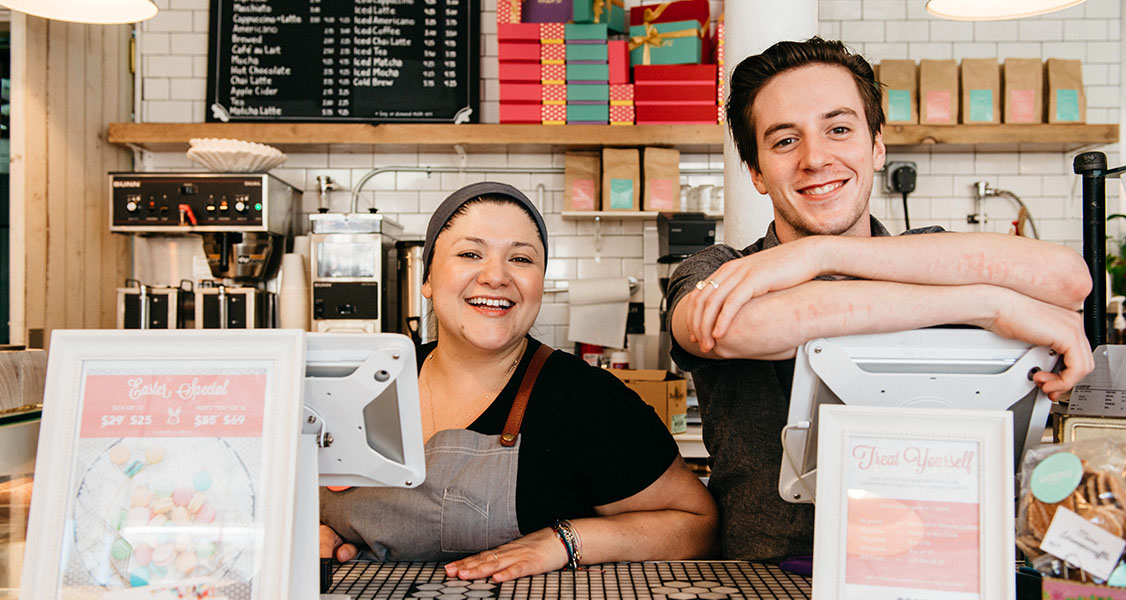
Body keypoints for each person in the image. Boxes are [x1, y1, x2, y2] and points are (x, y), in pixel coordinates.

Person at [666, 37, 1094, 561]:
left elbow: (1069, 279)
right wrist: (986, 305)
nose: (815, 158)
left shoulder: (927, 250)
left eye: (839, 129)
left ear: (876, 147)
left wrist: (816, 257)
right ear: (755, 172)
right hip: (770, 578)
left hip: (935, 567)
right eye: (783, 142)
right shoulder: (716, 269)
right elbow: (726, 328)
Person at [321, 181, 718, 581]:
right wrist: (309, 531)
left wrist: (566, 541)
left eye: (522, 259)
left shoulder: (588, 401)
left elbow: (698, 525)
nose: (496, 276)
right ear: (427, 279)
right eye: (470, 253)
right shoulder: (359, 387)